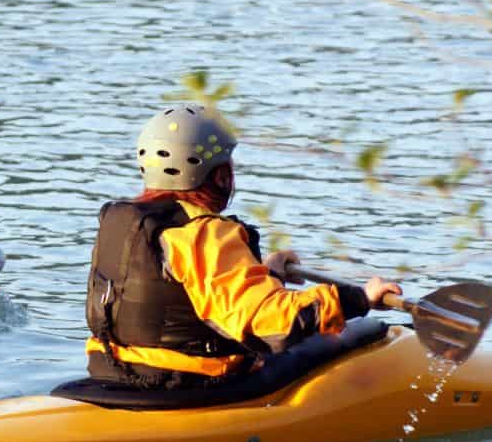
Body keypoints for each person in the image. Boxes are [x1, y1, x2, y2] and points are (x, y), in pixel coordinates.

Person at [85, 104, 402, 388]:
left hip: (114, 372)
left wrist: (268, 274)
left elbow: (191, 297)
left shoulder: (126, 221)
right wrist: (359, 298)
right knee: (364, 331)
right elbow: (268, 324)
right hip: (189, 384)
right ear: (219, 176)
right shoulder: (203, 234)